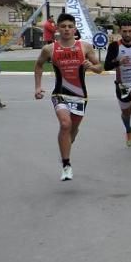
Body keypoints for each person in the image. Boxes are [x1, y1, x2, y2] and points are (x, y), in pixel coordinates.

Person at [33, 13, 104, 180]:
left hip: (80, 95)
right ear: (57, 28)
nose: (66, 29)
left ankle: (65, 149)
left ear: (74, 29)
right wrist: (38, 87)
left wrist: (92, 67)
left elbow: (100, 67)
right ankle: (66, 165)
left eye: (70, 26)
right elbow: (38, 66)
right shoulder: (49, 49)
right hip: (60, 93)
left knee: (72, 131)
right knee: (65, 124)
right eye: (63, 26)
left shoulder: (85, 47)